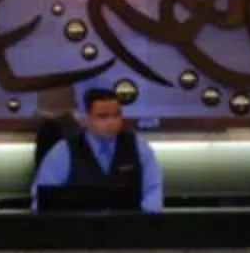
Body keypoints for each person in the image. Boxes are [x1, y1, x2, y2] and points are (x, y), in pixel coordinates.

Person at [32, 84, 164, 212]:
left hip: (130, 225)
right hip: (78, 225)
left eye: (116, 115)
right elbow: (42, 200)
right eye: (103, 116)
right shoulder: (64, 151)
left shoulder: (139, 147)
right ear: (87, 118)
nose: (111, 122)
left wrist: (143, 223)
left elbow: (153, 194)